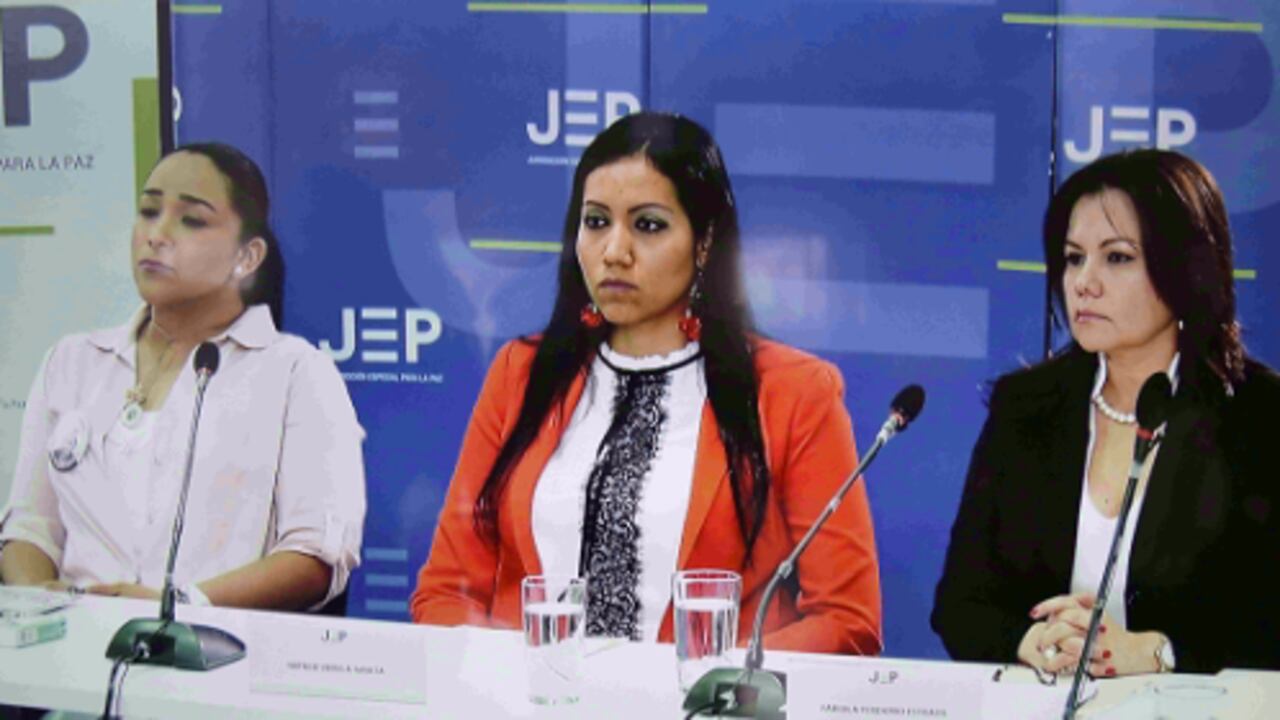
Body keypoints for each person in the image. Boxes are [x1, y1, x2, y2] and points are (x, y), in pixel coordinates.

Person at [411, 112, 881, 654]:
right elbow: (445, 594)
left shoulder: (793, 391)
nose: (614, 251)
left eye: (648, 225)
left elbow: (847, 619)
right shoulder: (520, 373)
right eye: (595, 222)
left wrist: (704, 680)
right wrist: (517, 678)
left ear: (704, 241)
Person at [932, 149, 1280, 676]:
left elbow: (1266, 623)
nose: (1083, 282)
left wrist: (1158, 652)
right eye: (1074, 258)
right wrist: (1030, 640)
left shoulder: (1258, 416)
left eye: (1116, 258)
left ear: (1185, 267)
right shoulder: (1026, 407)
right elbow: (959, 604)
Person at [0, 143, 366, 611]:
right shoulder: (71, 362)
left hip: (213, 646)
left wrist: (178, 606)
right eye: (148, 212)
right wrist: (37, 598)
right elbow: (30, 528)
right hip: (70, 643)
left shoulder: (296, 372)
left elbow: (316, 555)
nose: (157, 235)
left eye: (191, 220)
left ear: (247, 256)